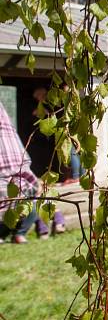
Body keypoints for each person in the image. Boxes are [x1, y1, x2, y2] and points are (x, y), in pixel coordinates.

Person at [0, 101, 41, 244]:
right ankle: (19, 234)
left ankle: (11, 234)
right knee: (32, 204)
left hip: (11, 191)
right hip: (16, 187)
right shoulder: (7, 132)